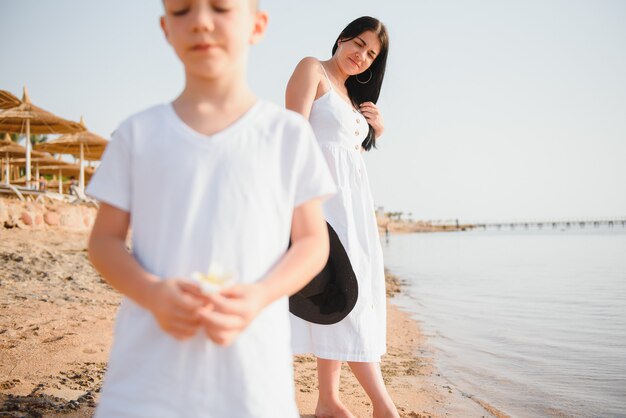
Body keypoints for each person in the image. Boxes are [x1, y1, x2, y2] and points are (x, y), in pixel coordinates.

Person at [86, 1, 336, 417]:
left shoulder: (287, 134)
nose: (201, 21)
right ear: (166, 29)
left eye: (220, 8)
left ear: (257, 25)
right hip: (148, 375)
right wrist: (152, 293)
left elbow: (313, 243)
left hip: (252, 375)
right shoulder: (138, 134)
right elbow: (103, 242)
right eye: (182, 11)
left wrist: (260, 295)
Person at [286, 16, 400, 418]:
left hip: (354, 211)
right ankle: (383, 406)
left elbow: (345, 157)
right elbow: (294, 136)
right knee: (347, 301)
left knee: (341, 299)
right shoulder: (311, 70)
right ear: (341, 38)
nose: (361, 56)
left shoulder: (353, 99)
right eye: (359, 44)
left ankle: (327, 401)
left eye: (371, 54)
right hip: (322, 208)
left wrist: (375, 134)